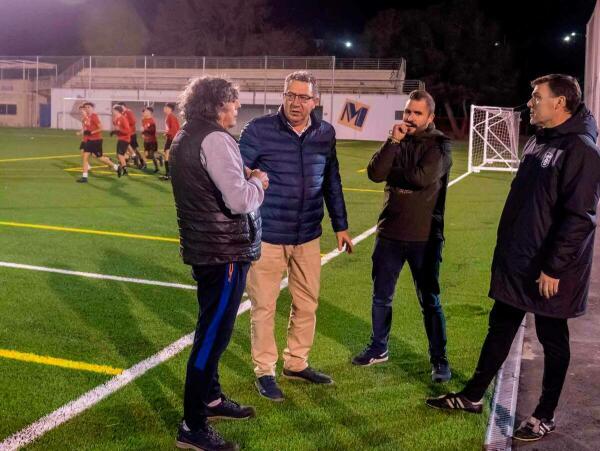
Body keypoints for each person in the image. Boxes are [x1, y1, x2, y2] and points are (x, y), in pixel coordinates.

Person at [426, 74, 600, 442]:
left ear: (561, 104)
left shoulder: (581, 148)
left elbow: (580, 217)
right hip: (520, 259)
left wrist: (554, 266)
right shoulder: (539, 141)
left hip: (552, 269)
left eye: (537, 97)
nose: (531, 103)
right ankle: (473, 396)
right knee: (500, 326)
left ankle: (544, 415)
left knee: (552, 336)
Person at [239, 70, 352, 401]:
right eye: (291, 95)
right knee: (264, 306)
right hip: (269, 234)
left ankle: (297, 362)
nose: (296, 103)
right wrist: (251, 173)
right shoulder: (259, 129)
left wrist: (341, 225)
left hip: (308, 236)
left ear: (315, 101)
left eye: (303, 97)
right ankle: (264, 371)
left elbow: (332, 180)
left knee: (307, 304)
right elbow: (235, 167)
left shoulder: (325, 133)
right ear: (283, 95)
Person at [170, 76, 269, 451]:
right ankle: (192, 426)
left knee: (210, 329)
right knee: (212, 338)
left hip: (207, 248)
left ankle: (210, 400)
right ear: (217, 105)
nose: (237, 109)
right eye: (234, 103)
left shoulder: (186, 134)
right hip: (222, 251)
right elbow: (240, 200)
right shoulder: (214, 138)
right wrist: (259, 181)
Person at [352, 90, 453, 383]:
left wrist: (395, 172)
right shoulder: (396, 139)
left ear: (430, 117)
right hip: (389, 233)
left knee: (429, 300)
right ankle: (378, 348)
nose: (409, 118)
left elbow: (422, 178)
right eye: (407, 111)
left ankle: (439, 359)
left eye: (417, 113)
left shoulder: (441, 145)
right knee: (381, 296)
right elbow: (375, 173)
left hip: (424, 237)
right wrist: (393, 142)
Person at [77, 102, 119, 183]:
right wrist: (84, 132)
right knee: (85, 157)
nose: (86, 109)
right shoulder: (87, 117)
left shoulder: (94, 116)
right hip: (89, 141)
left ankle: (115, 166)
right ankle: (84, 177)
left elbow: (101, 128)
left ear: (92, 108)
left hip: (96, 140)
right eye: (85, 108)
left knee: (99, 158)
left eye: (88, 107)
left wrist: (91, 132)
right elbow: (86, 129)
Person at [116, 101, 146, 169]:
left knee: (135, 149)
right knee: (126, 149)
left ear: (123, 106)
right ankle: (125, 162)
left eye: (120, 107)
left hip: (131, 134)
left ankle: (142, 162)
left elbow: (133, 121)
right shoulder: (122, 113)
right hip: (126, 135)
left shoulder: (128, 112)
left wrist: (126, 126)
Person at [110, 105, 131, 177]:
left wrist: (119, 130)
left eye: (113, 110)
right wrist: (114, 132)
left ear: (117, 111)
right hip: (121, 139)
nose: (112, 112)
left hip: (125, 139)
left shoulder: (123, 119)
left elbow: (128, 131)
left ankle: (125, 170)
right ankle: (128, 158)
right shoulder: (116, 119)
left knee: (120, 155)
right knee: (119, 155)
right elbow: (118, 129)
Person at [160, 102, 180, 180]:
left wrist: (167, 133)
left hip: (172, 138)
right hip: (171, 138)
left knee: (167, 155)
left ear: (170, 109)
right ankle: (169, 174)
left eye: (166, 107)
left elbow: (175, 129)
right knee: (167, 155)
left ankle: (169, 174)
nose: (164, 109)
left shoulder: (171, 117)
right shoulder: (169, 116)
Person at [141, 106, 161, 173]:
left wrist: (145, 130)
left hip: (152, 141)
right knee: (146, 154)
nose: (145, 112)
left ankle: (157, 168)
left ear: (150, 113)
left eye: (146, 111)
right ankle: (145, 164)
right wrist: (142, 133)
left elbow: (152, 131)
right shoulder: (143, 120)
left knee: (151, 156)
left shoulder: (152, 121)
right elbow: (143, 129)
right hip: (146, 141)